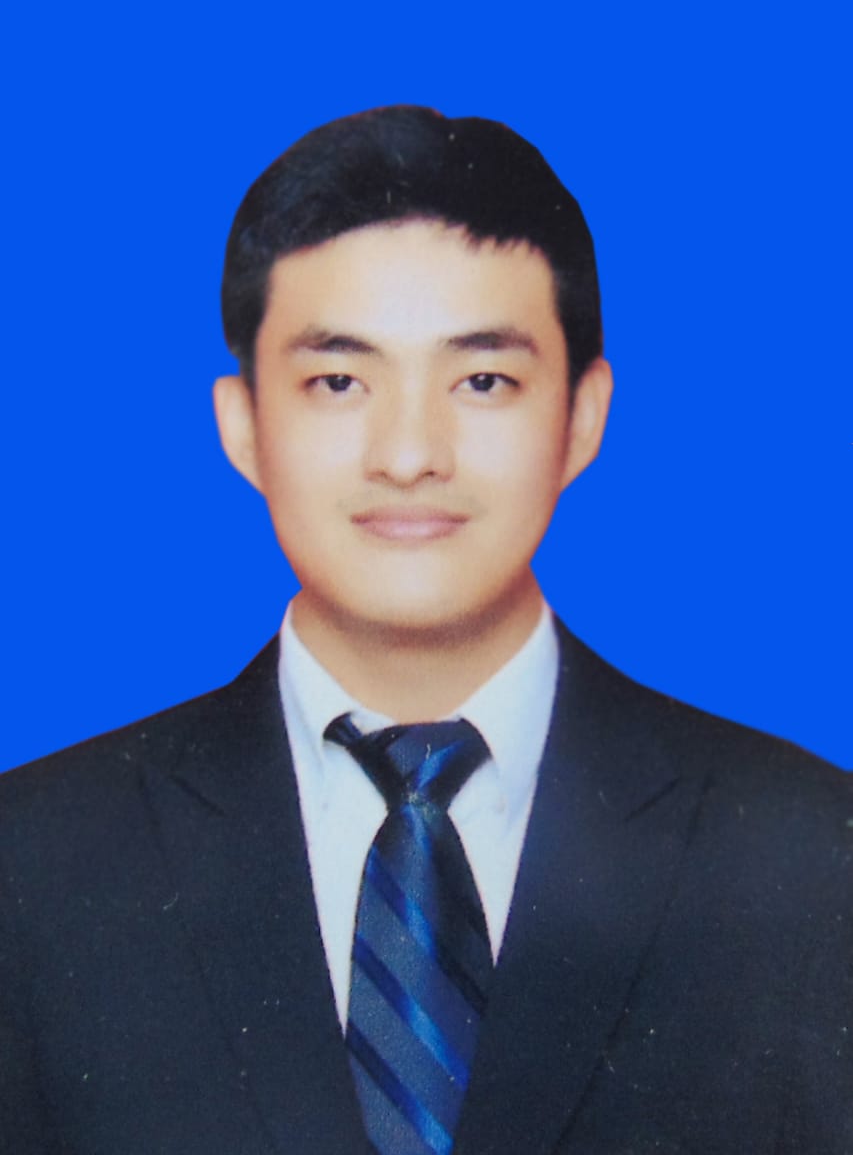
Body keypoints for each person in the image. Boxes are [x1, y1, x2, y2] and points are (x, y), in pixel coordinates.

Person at [1, 106, 850, 1155]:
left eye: (482, 380)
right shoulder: (32, 866)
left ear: (583, 416)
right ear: (242, 424)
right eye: (339, 381)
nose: (409, 454)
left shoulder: (811, 856)